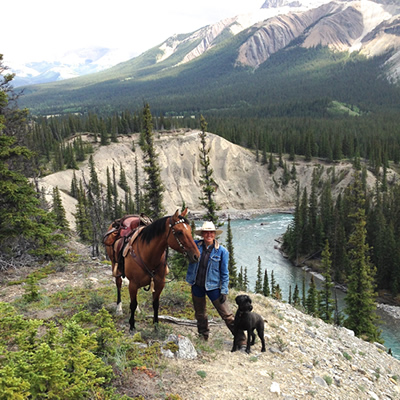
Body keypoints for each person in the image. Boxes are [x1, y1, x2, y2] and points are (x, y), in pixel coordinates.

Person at [186, 221, 245, 346]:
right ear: (202, 234)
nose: (209, 235)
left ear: (214, 234)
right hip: (197, 285)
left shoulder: (222, 251)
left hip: (213, 287)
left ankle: (241, 339)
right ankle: (203, 336)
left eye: (211, 232)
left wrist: (224, 290)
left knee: (227, 315)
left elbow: (225, 273)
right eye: (206, 232)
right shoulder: (195, 245)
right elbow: (183, 244)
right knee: (200, 314)